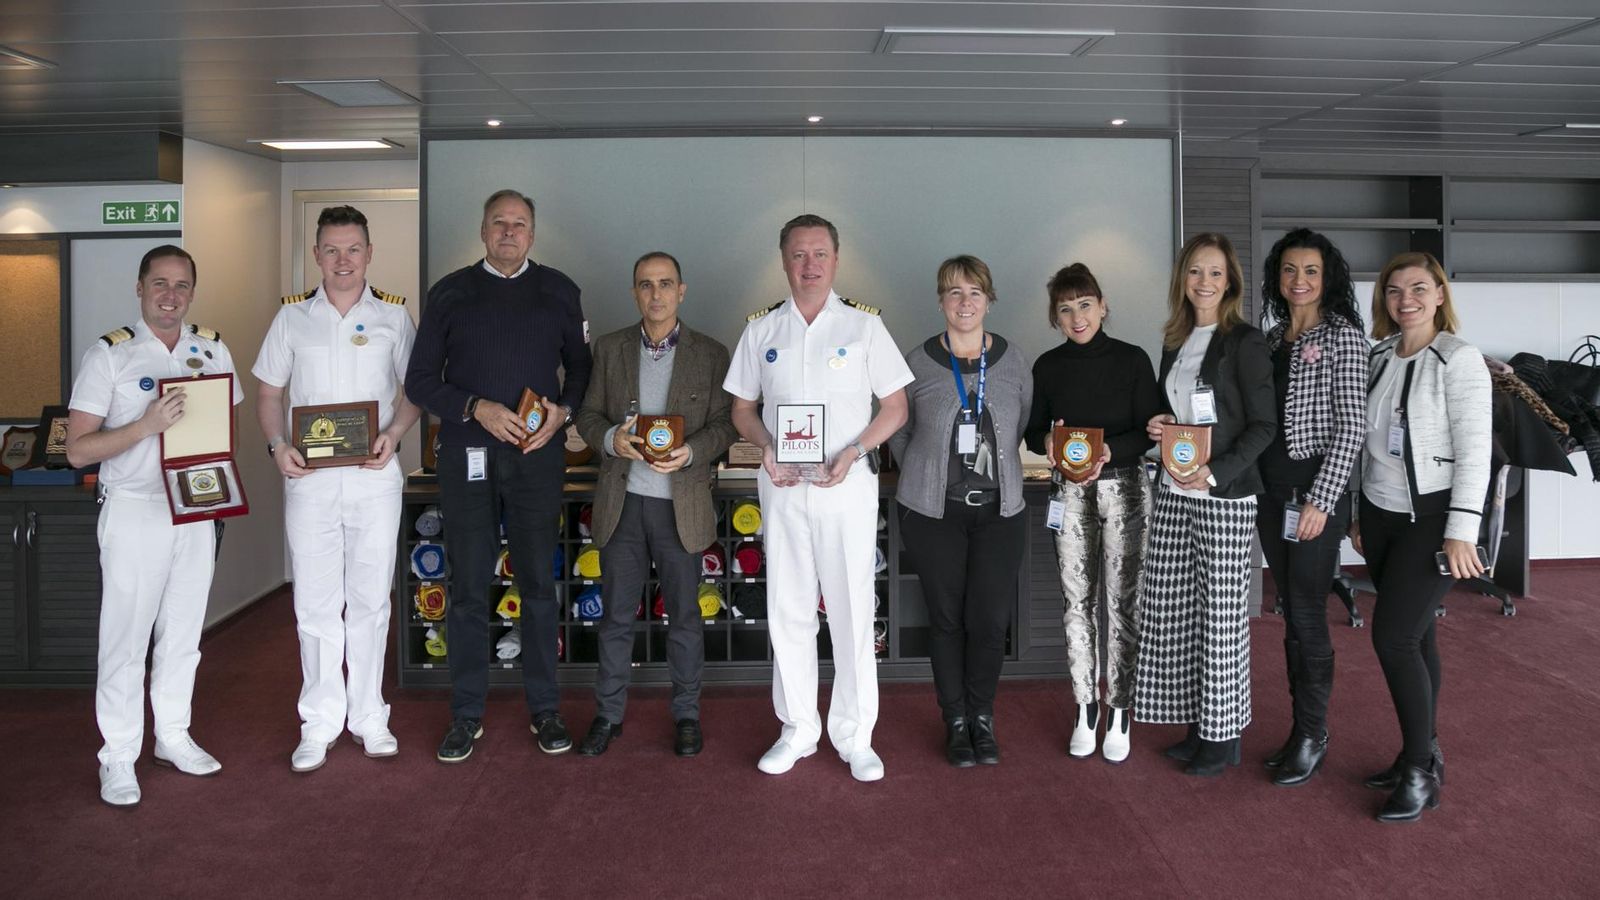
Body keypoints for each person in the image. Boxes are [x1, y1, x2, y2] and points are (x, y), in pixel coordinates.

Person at [405, 189, 593, 763]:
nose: (509, 232)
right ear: (483, 231)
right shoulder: (450, 293)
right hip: (467, 456)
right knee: (467, 588)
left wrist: (563, 412)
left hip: (537, 455)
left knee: (538, 585)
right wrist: (474, 408)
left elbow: (582, 367)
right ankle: (466, 713)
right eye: (499, 224)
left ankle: (545, 708)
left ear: (533, 234)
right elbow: (419, 380)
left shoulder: (559, 289)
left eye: (520, 224)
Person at [723, 214, 912, 782]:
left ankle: (856, 736)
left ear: (836, 259)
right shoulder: (762, 331)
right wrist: (766, 448)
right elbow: (741, 409)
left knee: (853, 611)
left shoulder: (864, 327)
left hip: (845, 488)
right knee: (788, 609)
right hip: (782, 488)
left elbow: (896, 407)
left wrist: (854, 451)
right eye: (799, 255)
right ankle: (798, 728)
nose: (810, 265)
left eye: (820, 254)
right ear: (783, 261)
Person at [64, 245, 244, 806]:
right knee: (126, 637)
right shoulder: (111, 355)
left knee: (184, 633)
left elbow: (222, 431)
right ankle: (118, 755)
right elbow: (77, 450)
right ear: (139, 287)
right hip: (136, 506)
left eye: (182, 285)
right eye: (160, 284)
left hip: (193, 508)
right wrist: (143, 427)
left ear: (193, 290)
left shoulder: (211, 348)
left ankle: (172, 735)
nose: (171, 295)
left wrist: (220, 491)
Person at [253, 205, 421, 773]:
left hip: (375, 478)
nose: (343, 260)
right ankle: (319, 722)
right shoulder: (291, 319)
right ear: (317, 255)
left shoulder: (395, 318)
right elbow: (269, 395)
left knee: (372, 602)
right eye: (331, 249)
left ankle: (370, 716)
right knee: (316, 605)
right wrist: (278, 448)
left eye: (353, 249)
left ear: (369, 254)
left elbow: (415, 389)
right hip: (311, 482)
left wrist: (395, 435)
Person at [572, 251, 737, 758]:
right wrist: (611, 441)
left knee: (684, 619)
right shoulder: (610, 348)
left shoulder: (711, 353)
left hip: (680, 508)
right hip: (623, 504)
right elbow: (588, 416)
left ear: (682, 290)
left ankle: (686, 715)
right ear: (634, 293)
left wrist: (694, 452)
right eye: (646, 285)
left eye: (666, 284)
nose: (657, 294)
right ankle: (608, 715)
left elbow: (727, 424)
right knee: (616, 619)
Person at [1351, 251, 1489, 823]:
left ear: (1439, 295)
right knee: (1418, 635)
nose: (1404, 299)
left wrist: (1462, 531)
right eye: (1393, 290)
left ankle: (1417, 771)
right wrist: (1358, 514)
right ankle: (1424, 752)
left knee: (1394, 638)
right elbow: (1364, 440)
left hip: (1430, 518)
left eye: (1418, 288)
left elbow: (1476, 452)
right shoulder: (1378, 354)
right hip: (1381, 514)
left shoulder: (1458, 359)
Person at [1134, 232, 1275, 776]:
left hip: (1223, 495)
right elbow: (1183, 412)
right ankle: (1198, 721)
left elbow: (1264, 426)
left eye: (1215, 273)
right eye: (1195, 271)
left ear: (1231, 281)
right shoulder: (1176, 338)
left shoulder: (1245, 341)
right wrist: (1161, 424)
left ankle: (1224, 736)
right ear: (1182, 279)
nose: (1205, 282)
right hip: (1173, 490)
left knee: (1221, 617)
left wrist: (1215, 473)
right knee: (1176, 612)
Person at [887, 255, 1032, 768]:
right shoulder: (917, 362)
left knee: (989, 621)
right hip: (933, 516)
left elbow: (1016, 430)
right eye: (953, 292)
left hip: (999, 513)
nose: (964, 302)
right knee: (945, 620)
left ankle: (982, 717)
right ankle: (954, 721)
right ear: (940, 301)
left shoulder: (1014, 362)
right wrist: (926, 470)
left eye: (974, 292)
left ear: (989, 299)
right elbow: (899, 432)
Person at [1022, 262, 1161, 764]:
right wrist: (1051, 442)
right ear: (1055, 317)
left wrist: (1107, 454)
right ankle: (1085, 707)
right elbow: (1032, 432)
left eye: (1084, 305)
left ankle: (1119, 708)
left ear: (1102, 306)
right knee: (1076, 602)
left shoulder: (1132, 360)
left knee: (1123, 603)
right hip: (1070, 492)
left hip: (1124, 487)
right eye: (1065, 308)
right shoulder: (1048, 366)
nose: (1076, 317)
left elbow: (1149, 431)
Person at [1253, 229, 1369, 787]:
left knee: (1305, 612)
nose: (1299, 281)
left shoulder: (1343, 337)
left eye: (1311, 271)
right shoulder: (1272, 339)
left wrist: (1325, 501)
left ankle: (1313, 734)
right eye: (1290, 270)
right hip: (1271, 496)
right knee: (1289, 614)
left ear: (1328, 279)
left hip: (1314, 495)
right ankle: (1301, 728)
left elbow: (1353, 426)